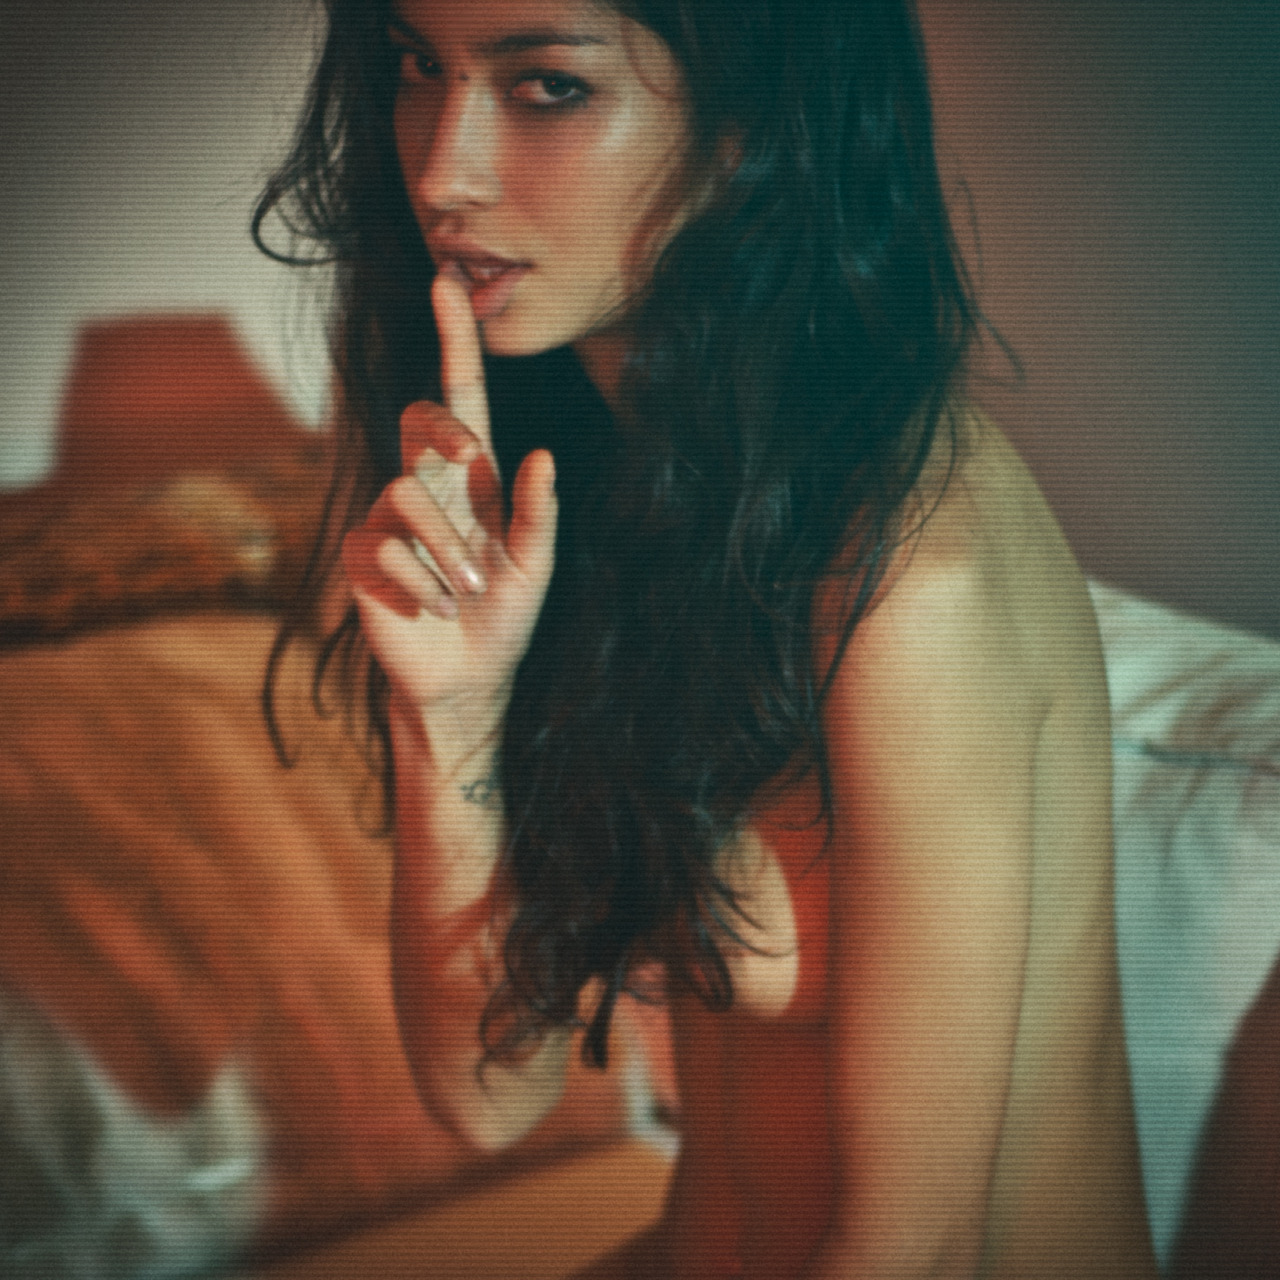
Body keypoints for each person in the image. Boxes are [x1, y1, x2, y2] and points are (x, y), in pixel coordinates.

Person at [257, 0, 1160, 1274]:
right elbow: (488, 1093)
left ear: (747, 121)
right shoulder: (603, 486)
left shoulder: (910, 571)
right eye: (417, 66)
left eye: (545, 86)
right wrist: (450, 708)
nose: (441, 171)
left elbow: (917, 1249)